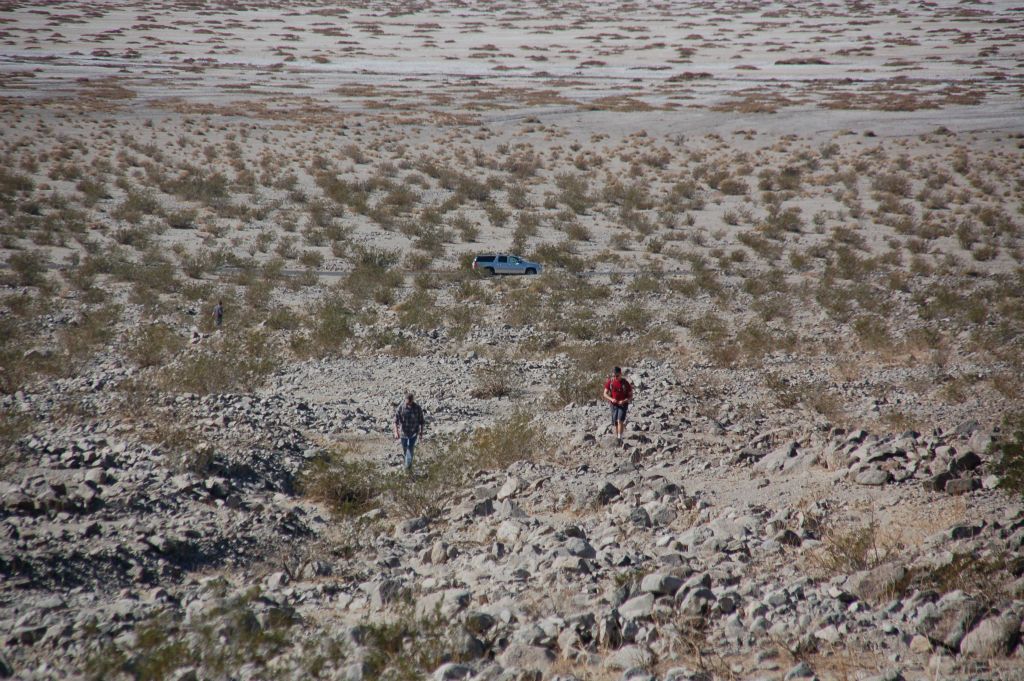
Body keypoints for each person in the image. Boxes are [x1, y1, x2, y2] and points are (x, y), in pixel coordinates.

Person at [393, 393, 424, 473]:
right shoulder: (401, 407)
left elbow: (422, 421)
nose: (408, 404)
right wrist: (396, 432)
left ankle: (407, 470)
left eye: (409, 402)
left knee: (410, 450)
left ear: (412, 400)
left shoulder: (417, 408)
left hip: (413, 433)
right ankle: (408, 464)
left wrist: (421, 433)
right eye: (406, 402)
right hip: (403, 433)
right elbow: (395, 421)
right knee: (405, 450)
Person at [603, 366, 633, 444]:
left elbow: (630, 395)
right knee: (616, 422)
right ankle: (618, 436)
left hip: (623, 404)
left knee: (620, 420)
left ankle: (620, 437)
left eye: (617, 375)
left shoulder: (625, 383)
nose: (615, 377)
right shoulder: (610, 382)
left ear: (620, 374)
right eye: (614, 376)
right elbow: (605, 394)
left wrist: (624, 401)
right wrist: (612, 399)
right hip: (614, 405)